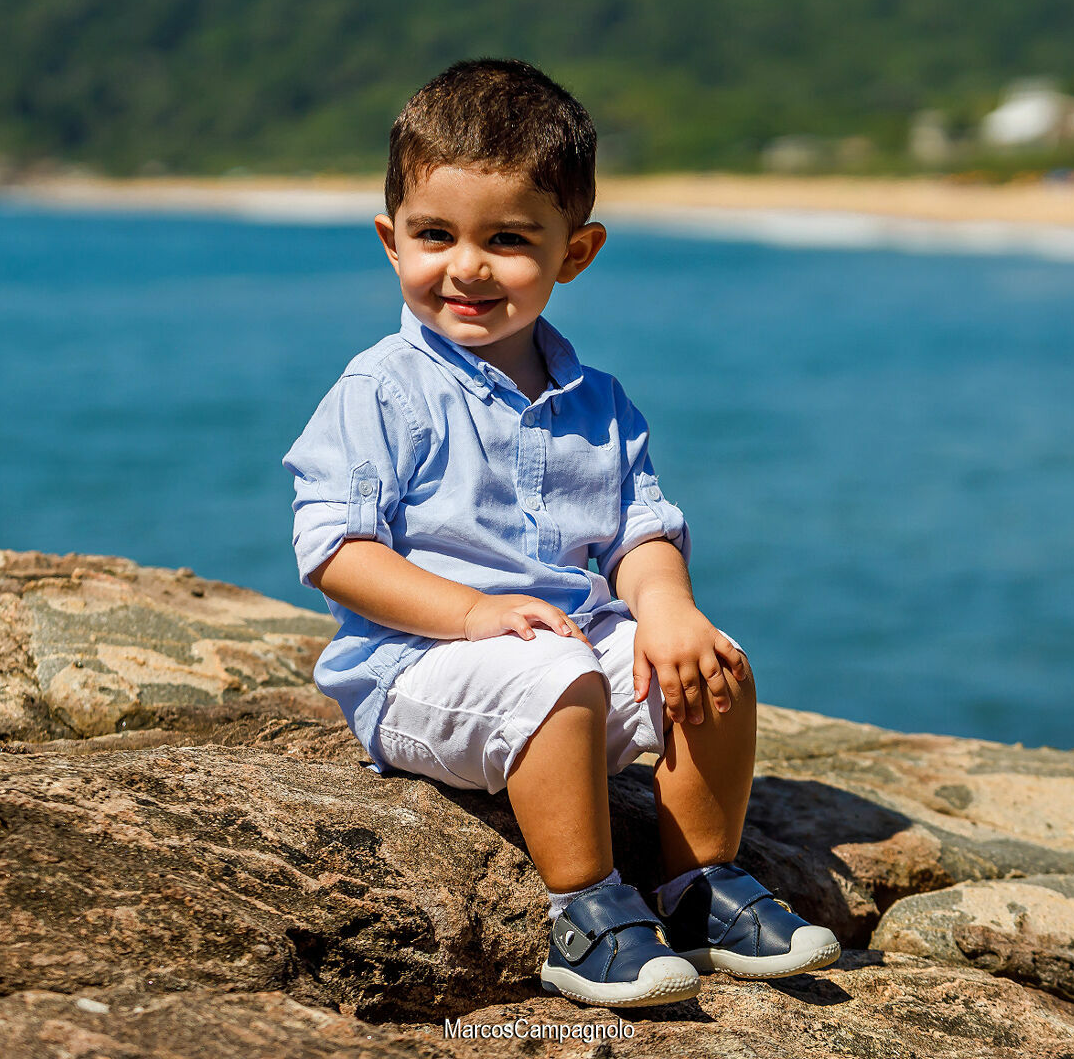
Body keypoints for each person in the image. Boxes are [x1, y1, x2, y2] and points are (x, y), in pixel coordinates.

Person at [283, 59, 839, 1008]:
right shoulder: (381, 389)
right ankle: (583, 913)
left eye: (506, 240)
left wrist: (666, 611)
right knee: (561, 679)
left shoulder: (598, 398)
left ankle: (694, 883)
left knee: (715, 669)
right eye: (433, 236)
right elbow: (337, 551)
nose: (465, 267)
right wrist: (470, 613)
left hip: (560, 646)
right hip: (416, 667)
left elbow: (638, 531)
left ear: (573, 253)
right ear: (390, 241)